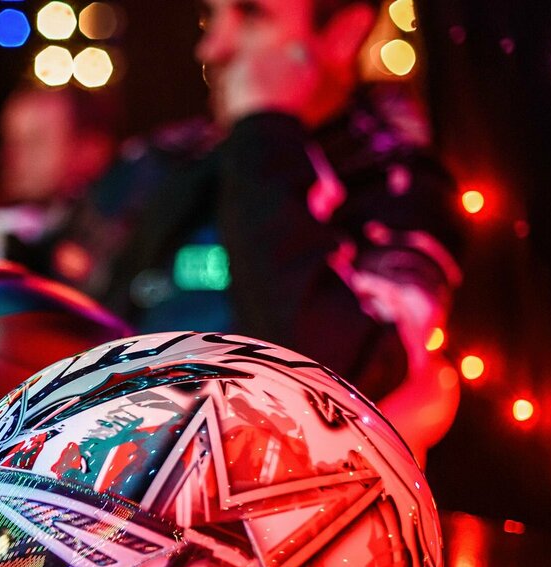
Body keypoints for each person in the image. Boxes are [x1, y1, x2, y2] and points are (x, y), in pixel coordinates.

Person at [42, 0, 462, 417]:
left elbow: (334, 380)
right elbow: (60, 308)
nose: (211, 49)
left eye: (251, 15)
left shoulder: (396, 186)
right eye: (211, 17)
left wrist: (265, 131)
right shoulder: (166, 160)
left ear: (344, 35)